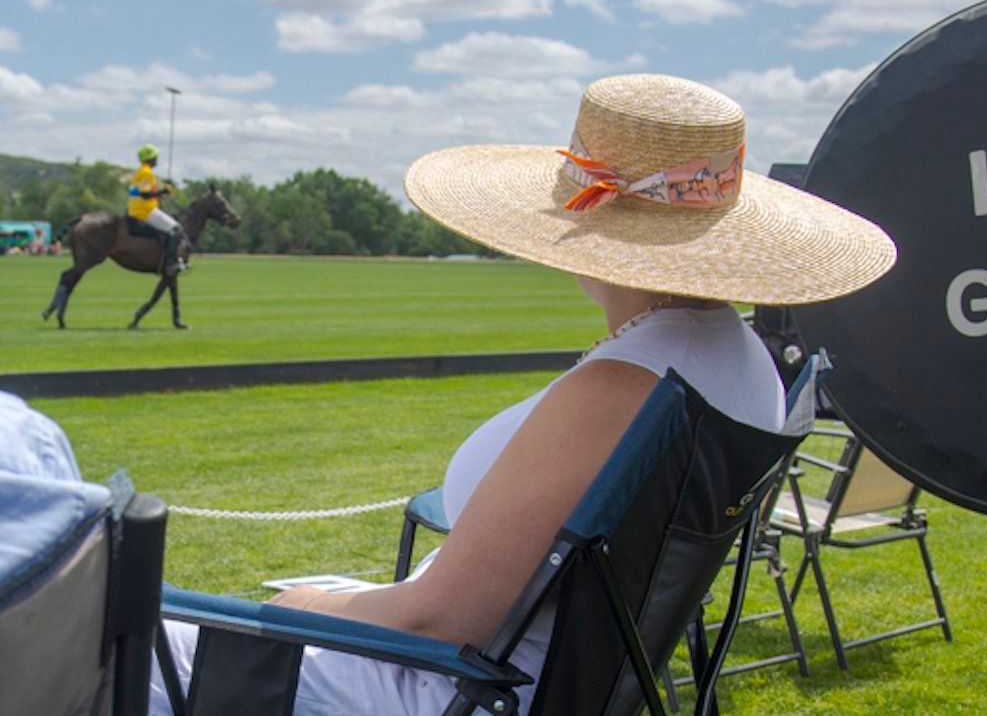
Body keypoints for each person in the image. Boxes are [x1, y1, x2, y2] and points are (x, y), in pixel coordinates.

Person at [150, 74, 893, 712]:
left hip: (461, 686)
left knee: (133, 648)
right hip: (531, 674)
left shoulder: (628, 384)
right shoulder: (733, 359)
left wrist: (306, 605)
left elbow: (443, 616)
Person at [128, 143, 186, 276]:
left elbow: (144, 194)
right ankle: (170, 264)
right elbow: (145, 194)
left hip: (138, 208)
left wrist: (158, 195)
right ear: (150, 158)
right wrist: (163, 191)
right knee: (176, 229)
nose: (157, 159)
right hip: (145, 211)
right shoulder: (146, 173)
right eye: (155, 157)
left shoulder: (139, 172)